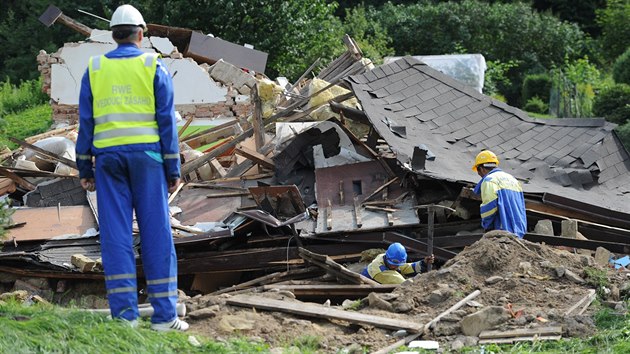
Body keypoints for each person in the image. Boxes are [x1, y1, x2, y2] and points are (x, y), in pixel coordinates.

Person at [75, 4, 187, 331]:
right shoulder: (154, 65)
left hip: (108, 162)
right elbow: (166, 120)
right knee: (156, 234)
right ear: (141, 34)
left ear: (113, 36)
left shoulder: (94, 69)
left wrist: (84, 168)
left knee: (116, 235)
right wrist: (173, 168)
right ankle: (165, 318)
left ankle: (125, 318)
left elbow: (86, 123)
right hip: (149, 160)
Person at [472, 150, 527, 238]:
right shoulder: (513, 180)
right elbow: (521, 207)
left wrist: (487, 226)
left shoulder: (489, 180)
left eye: (478, 171)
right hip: (518, 230)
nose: (479, 174)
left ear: (481, 169)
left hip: (502, 230)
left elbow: (489, 207)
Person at [361, 243, 434, 284]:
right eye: (395, 265)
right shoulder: (381, 272)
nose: (396, 267)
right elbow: (404, 284)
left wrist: (423, 263)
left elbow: (405, 267)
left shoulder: (384, 257)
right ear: (388, 259)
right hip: (364, 286)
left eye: (398, 265)